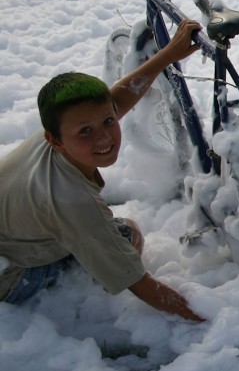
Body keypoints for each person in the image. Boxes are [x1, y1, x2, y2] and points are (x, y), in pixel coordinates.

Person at [0, 19, 205, 322]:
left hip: (13, 232)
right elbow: (138, 283)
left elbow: (119, 97)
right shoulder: (74, 202)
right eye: (86, 131)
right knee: (126, 234)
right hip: (10, 276)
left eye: (108, 122)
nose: (105, 137)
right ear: (54, 139)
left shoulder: (57, 129)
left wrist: (169, 54)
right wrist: (204, 317)